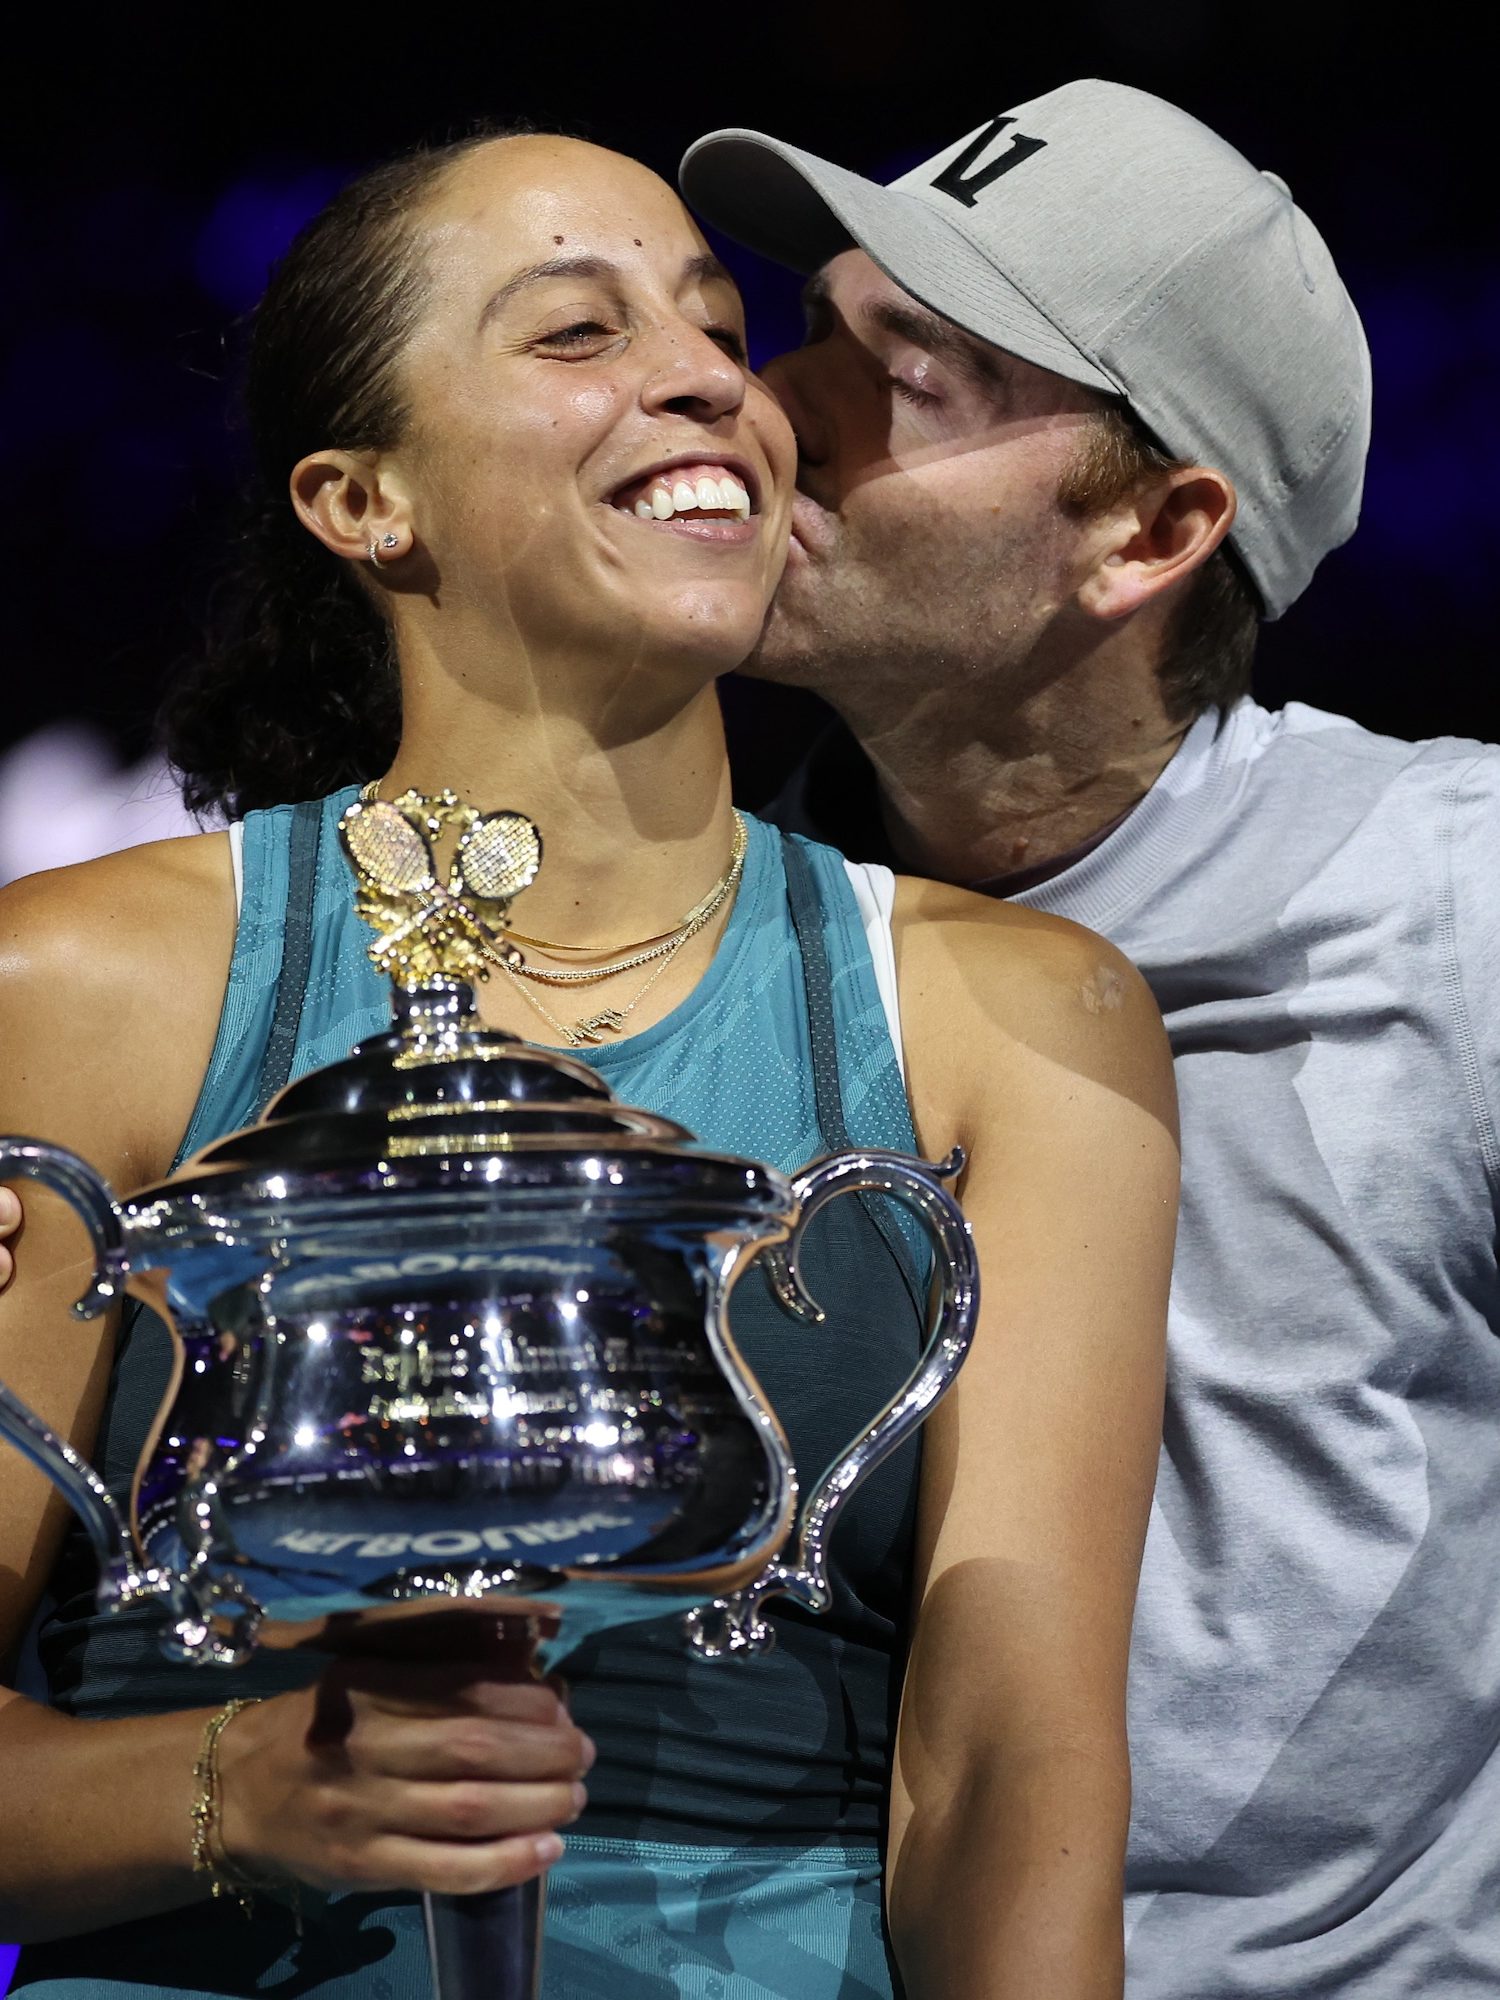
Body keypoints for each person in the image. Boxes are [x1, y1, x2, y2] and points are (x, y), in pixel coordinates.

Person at [0, 129, 1178, 1999]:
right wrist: (248, 1784)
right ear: (364, 500)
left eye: (717, 321)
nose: (713, 372)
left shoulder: (1025, 1017)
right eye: (576, 332)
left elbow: (1005, 1778)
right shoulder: (82, 981)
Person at [681, 78, 1500, 1999]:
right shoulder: (709, 927)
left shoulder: (1456, 899)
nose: (774, 407)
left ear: (1148, 528)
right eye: (817, 329)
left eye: (917, 373)